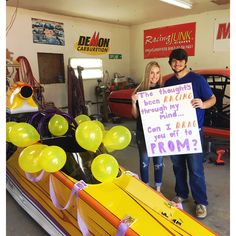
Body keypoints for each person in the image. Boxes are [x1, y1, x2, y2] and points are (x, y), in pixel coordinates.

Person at [164, 48, 216, 219]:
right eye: (173, 61)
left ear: (185, 61)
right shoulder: (169, 83)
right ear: (170, 63)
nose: (177, 63)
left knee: (195, 168)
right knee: (178, 166)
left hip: (193, 132)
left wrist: (203, 104)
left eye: (180, 60)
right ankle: (182, 193)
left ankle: (201, 202)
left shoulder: (197, 80)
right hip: (174, 133)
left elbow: (212, 99)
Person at [131, 61, 164, 192]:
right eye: (152, 73)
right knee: (144, 160)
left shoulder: (163, 90)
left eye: (157, 73)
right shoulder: (139, 91)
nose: (154, 76)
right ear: (147, 74)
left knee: (159, 161)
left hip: (159, 132)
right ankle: (146, 188)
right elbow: (135, 116)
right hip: (143, 132)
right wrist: (133, 102)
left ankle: (158, 189)